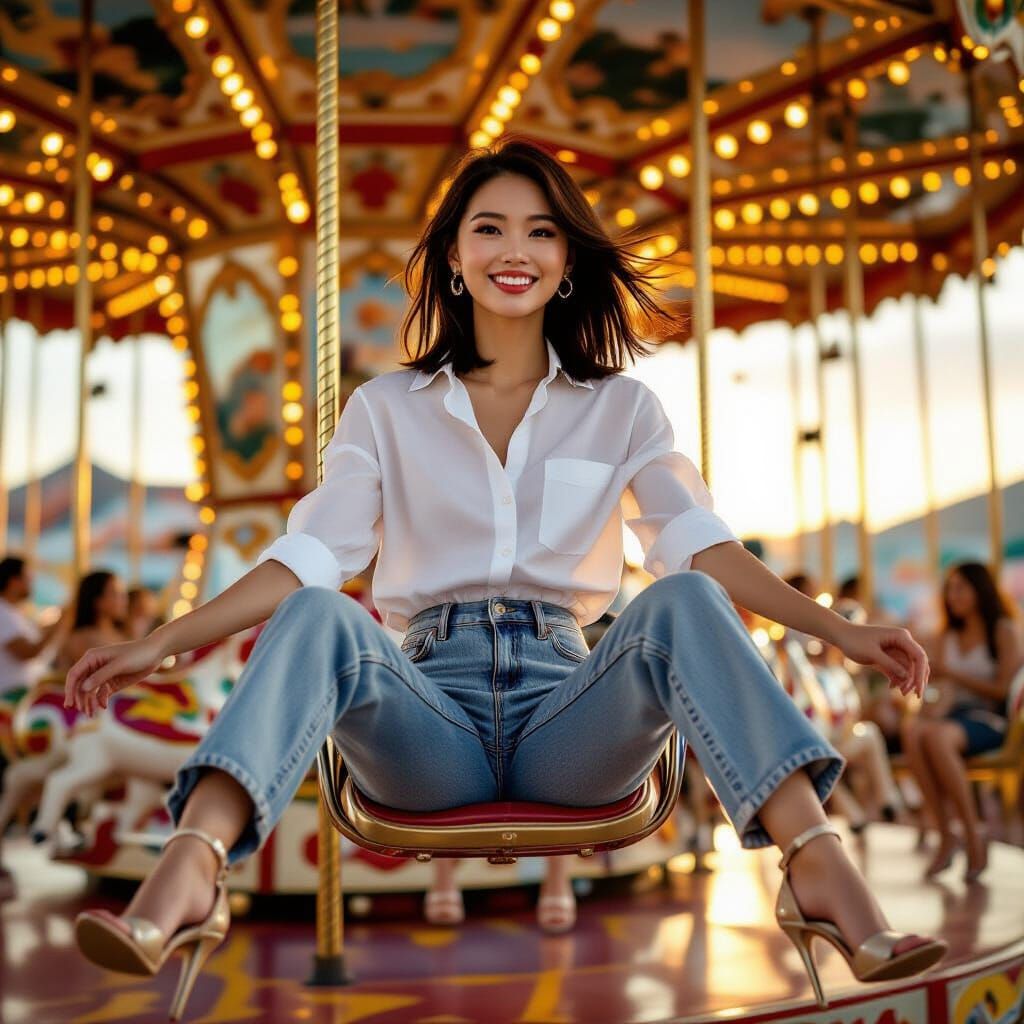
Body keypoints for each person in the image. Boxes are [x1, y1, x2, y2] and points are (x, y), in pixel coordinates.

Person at [64, 139, 944, 1018]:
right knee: (318, 610)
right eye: (489, 229)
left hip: (570, 718)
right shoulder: (385, 408)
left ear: (566, 261)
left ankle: (818, 865)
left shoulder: (621, 407)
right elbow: (307, 555)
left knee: (683, 593)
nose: (513, 251)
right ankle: (191, 873)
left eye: (540, 232)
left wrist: (840, 633)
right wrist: (164, 642)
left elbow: (700, 543)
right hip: (427, 723)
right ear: (454, 256)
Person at [902, 562, 1021, 881]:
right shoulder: (947, 635)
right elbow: (942, 690)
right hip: (954, 716)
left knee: (938, 738)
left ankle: (971, 834)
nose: (952, 595)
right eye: (949, 588)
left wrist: (952, 674)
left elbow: (1002, 688)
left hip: (990, 719)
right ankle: (945, 832)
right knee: (915, 734)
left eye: (960, 588)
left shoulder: (1003, 630)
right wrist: (928, 707)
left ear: (979, 591)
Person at [56, 571, 129, 672]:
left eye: (123, 594)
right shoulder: (82, 639)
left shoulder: (117, 634)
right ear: (97, 600)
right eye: (116, 594)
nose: (124, 600)